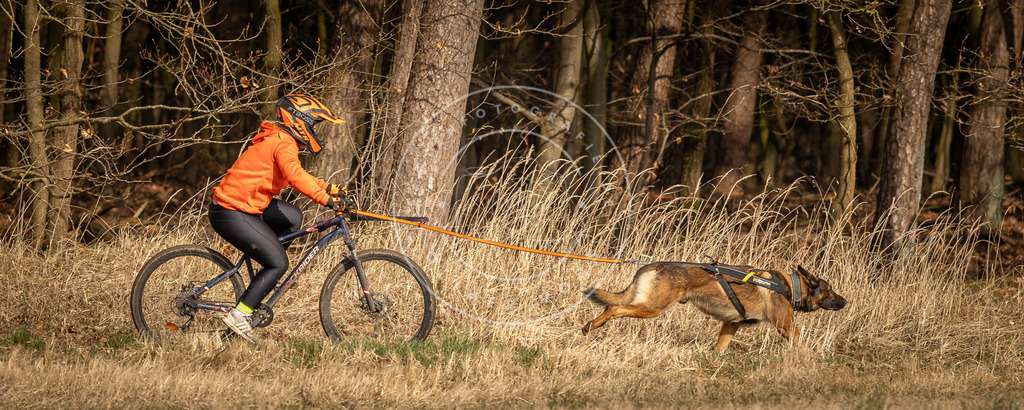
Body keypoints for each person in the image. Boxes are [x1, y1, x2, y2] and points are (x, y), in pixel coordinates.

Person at [209, 93, 346, 342]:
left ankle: (262, 278)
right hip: (231, 210)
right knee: (279, 263)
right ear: (299, 121)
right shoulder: (283, 142)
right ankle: (240, 314)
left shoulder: (281, 139)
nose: (315, 130)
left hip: (244, 205)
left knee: (293, 217)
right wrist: (324, 199)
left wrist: (328, 188)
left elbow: (298, 174)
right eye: (314, 125)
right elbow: (295, 176)